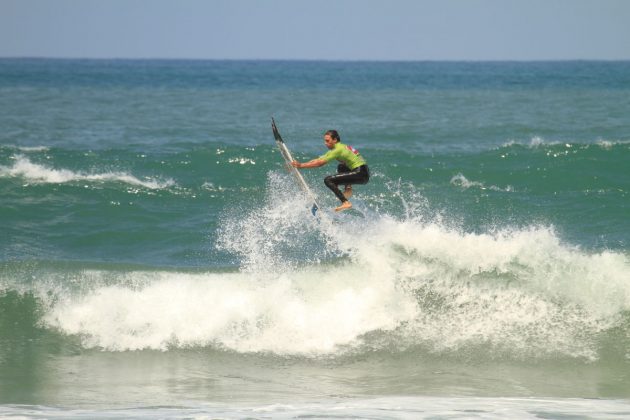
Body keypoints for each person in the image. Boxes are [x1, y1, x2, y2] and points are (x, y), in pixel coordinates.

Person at [291, 129, 369, 212]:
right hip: (362, 172)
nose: (325, 143)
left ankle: (345, 202)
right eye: (325, 141)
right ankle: (348, 189)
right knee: (341, 166)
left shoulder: (338, 150)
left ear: (335, 140)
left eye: (327, 141)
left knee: (328, 180)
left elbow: (320, 163)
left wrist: (301, 166)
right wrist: (301, 163)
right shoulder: (339, 147)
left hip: (360, 173)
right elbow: (318, 159)